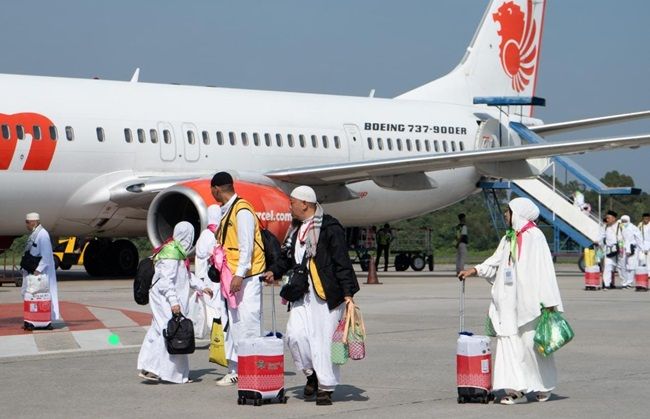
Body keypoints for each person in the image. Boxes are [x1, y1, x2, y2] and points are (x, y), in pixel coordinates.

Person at [458, 197, 564, 405]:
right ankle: (516, 389)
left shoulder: (535, 236)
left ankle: (543, 386)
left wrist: (550, 302)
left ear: (520, 213)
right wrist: (475, 270)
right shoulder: (508, 238)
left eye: (509, 211)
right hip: (507, 303)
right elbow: (495, 261)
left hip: (531, 303)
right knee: (508, 345)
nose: (505, 215)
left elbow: (545, 271)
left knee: (531, 346)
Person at [264, 185, 360, 406]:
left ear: (304, 204)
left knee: (323, 341)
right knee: (295, 336)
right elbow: (288, 258)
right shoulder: (296, 229)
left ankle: (326, 387)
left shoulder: (329, 227)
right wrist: (274, 271)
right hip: (301, 294)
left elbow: (341, 262)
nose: (290, 206)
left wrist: (348, 294)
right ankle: (312, 374)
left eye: (292, 202)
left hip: (326, 295)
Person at [210, 171, 270, 386]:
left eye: (212, 191)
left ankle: (252, 370)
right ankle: (236, 368)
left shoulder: (242, 210)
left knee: (249, 323)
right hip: (232, 278)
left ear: (216, 189)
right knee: (235, 324)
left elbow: (247, 246)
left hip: (246, 277)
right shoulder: (228, 210)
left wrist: (239, 274)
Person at [137, 221, 213, 383]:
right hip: (165, 299)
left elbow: (184, 275)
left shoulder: (174, 250)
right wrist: (174, 302)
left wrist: (202, 286)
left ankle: (150, 367)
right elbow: (166, 280)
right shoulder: (172, 253)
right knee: (171, 332)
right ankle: (168, 373)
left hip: (163, 297)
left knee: (159, 330)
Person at [22, 212, 60, 321]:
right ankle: (36, 318)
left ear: (33, 222)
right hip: (34, 270)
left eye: (27, 222)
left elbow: (47, 256)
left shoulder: (43, 234)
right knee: (31, 295)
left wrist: (38, 270)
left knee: (46, 295)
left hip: (42, 272)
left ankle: (48, 318)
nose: (26, 225)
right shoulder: (35, 233)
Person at [192, 204, 223, 329]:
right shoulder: (222, 233)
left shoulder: (206, 234)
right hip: (221, 276)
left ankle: (216, 338)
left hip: (208, 277)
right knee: (220, 306)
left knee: (211, 308)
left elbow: (199, 253)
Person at [599, 210, 622, 290]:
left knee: (621, 267)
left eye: (609, 218)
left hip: (620, 250)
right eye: (607, 218)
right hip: (609, 250)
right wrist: (597, 242)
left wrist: (622, 249)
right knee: (608, 266)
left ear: (614, 219)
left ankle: (626, 283)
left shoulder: (620, 226)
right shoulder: (605, 226)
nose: (607, 220)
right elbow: (601, 236)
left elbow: (622, 239)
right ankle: (606, 284)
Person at [618, 215, 643, 288]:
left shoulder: (633, 228)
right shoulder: (620, 227)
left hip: (632, 248)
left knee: (631, 266)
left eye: (625, 221)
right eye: (623, 221)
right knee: (621, 265)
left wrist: (642, 248)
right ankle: (624, 281)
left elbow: (639, 238)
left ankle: (629, 282)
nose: (624, 222)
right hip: (622, 248)